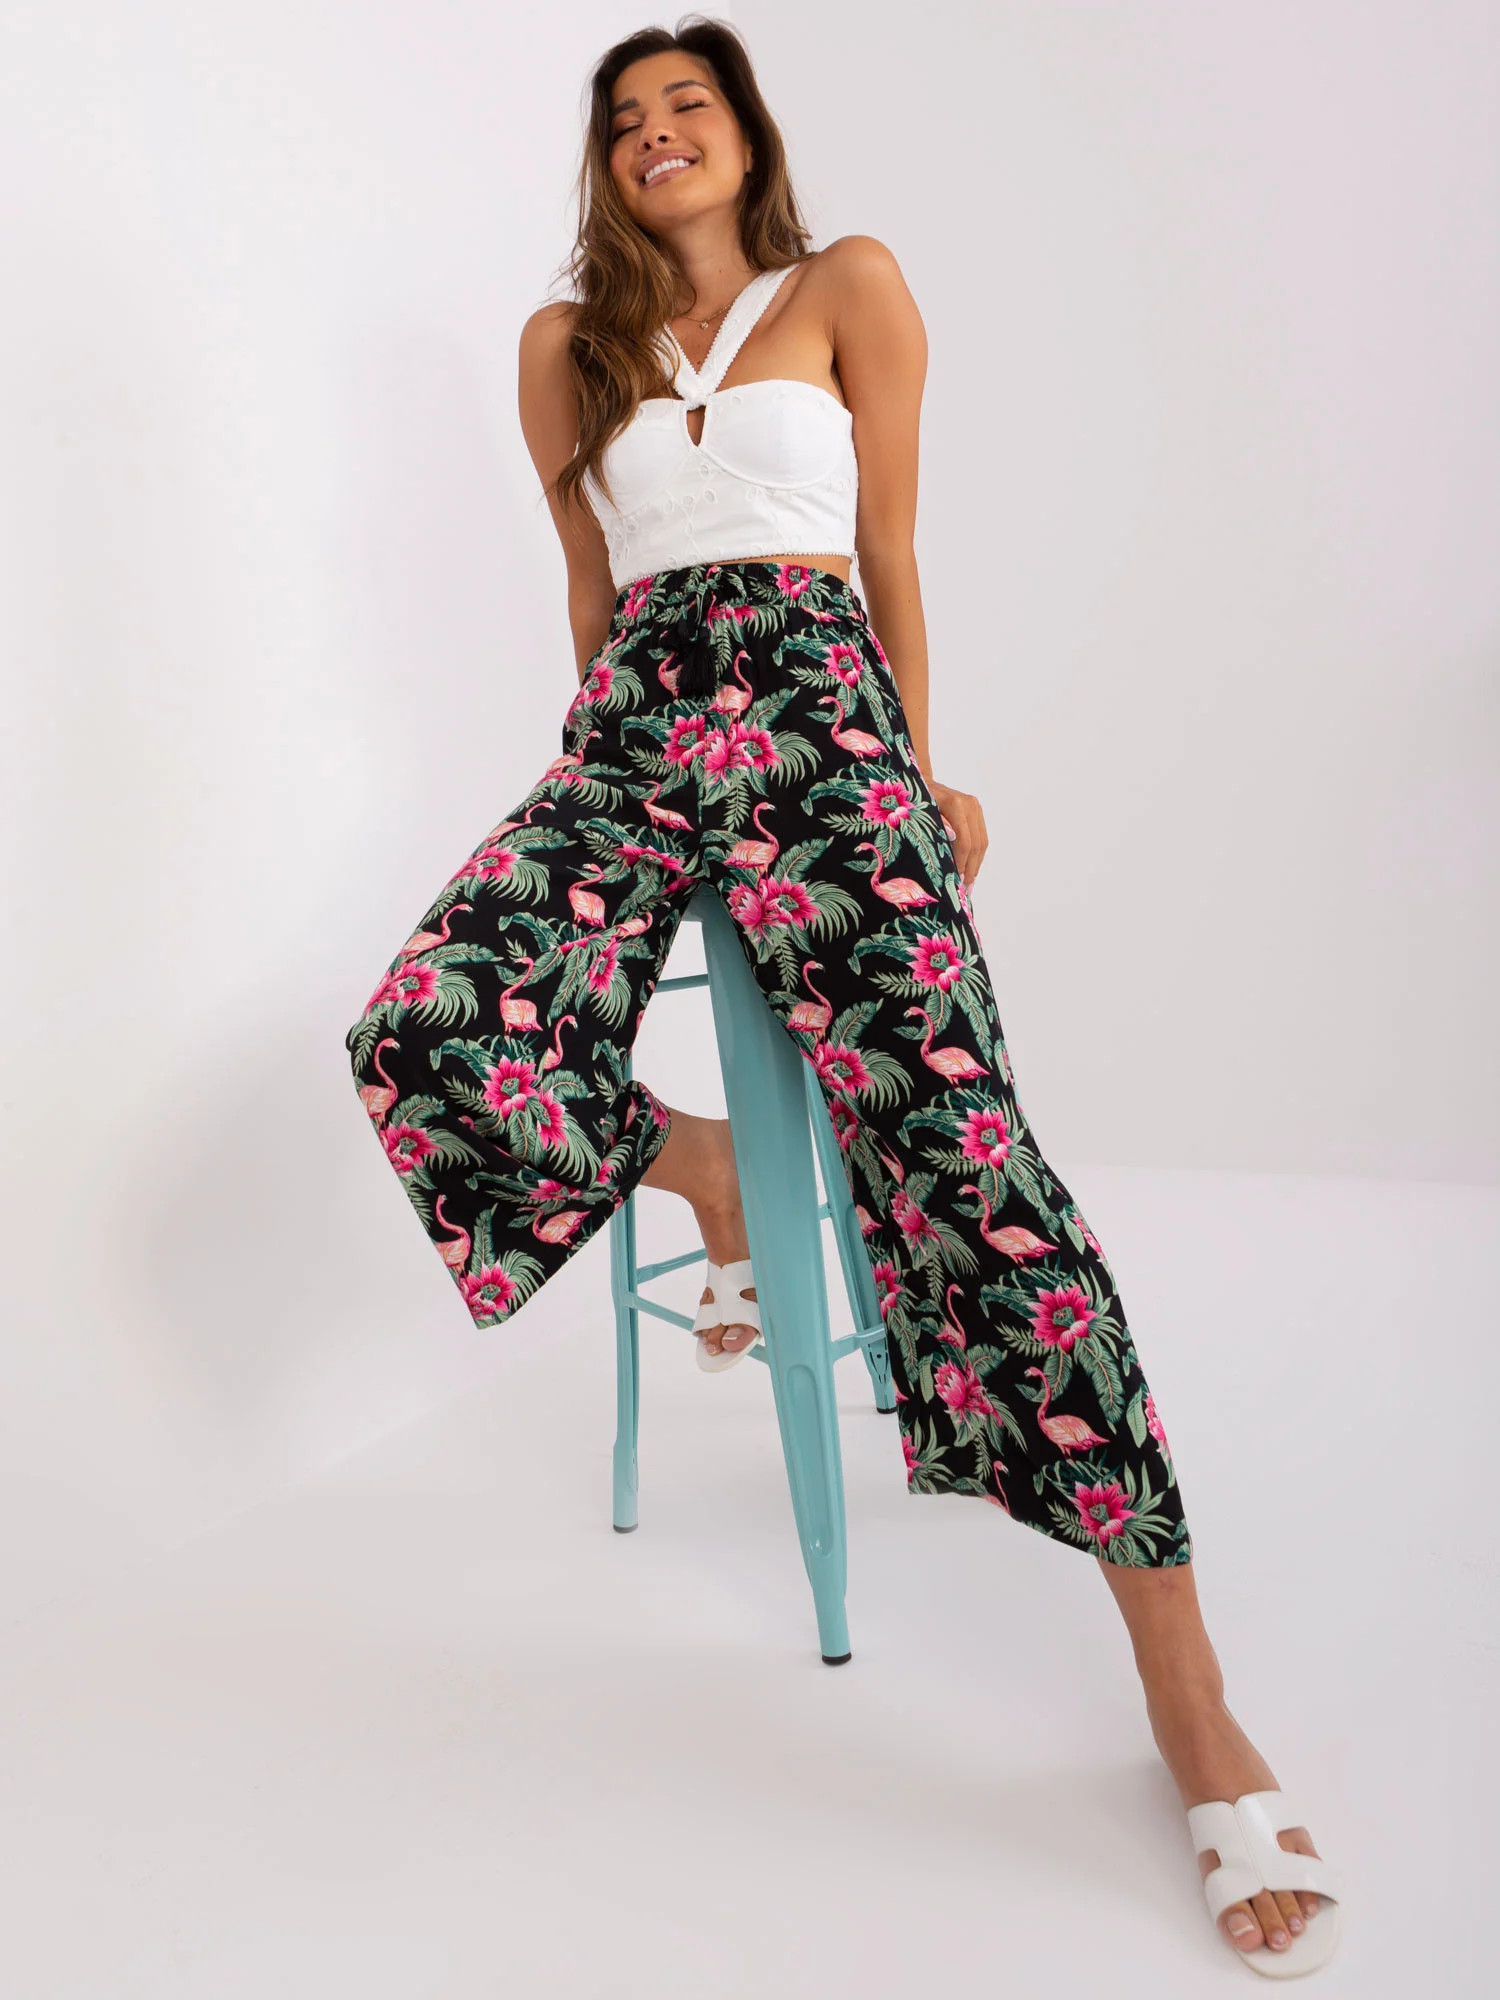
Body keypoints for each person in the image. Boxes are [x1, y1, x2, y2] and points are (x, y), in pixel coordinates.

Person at [345, 16, 1342, 1974]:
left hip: (823, 721)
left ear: (747, 130)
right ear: (602, 163)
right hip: (640, 729)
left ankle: (1191, 1700)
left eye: (688, 104)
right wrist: (597, 792)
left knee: (978, 1174)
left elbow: (886, 547)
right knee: (423, 1024)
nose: (657, 134)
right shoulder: (565, 349)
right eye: (625, 119)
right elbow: (589, 589)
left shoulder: (847, 286)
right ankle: (707, 1171)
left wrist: (923, 768)